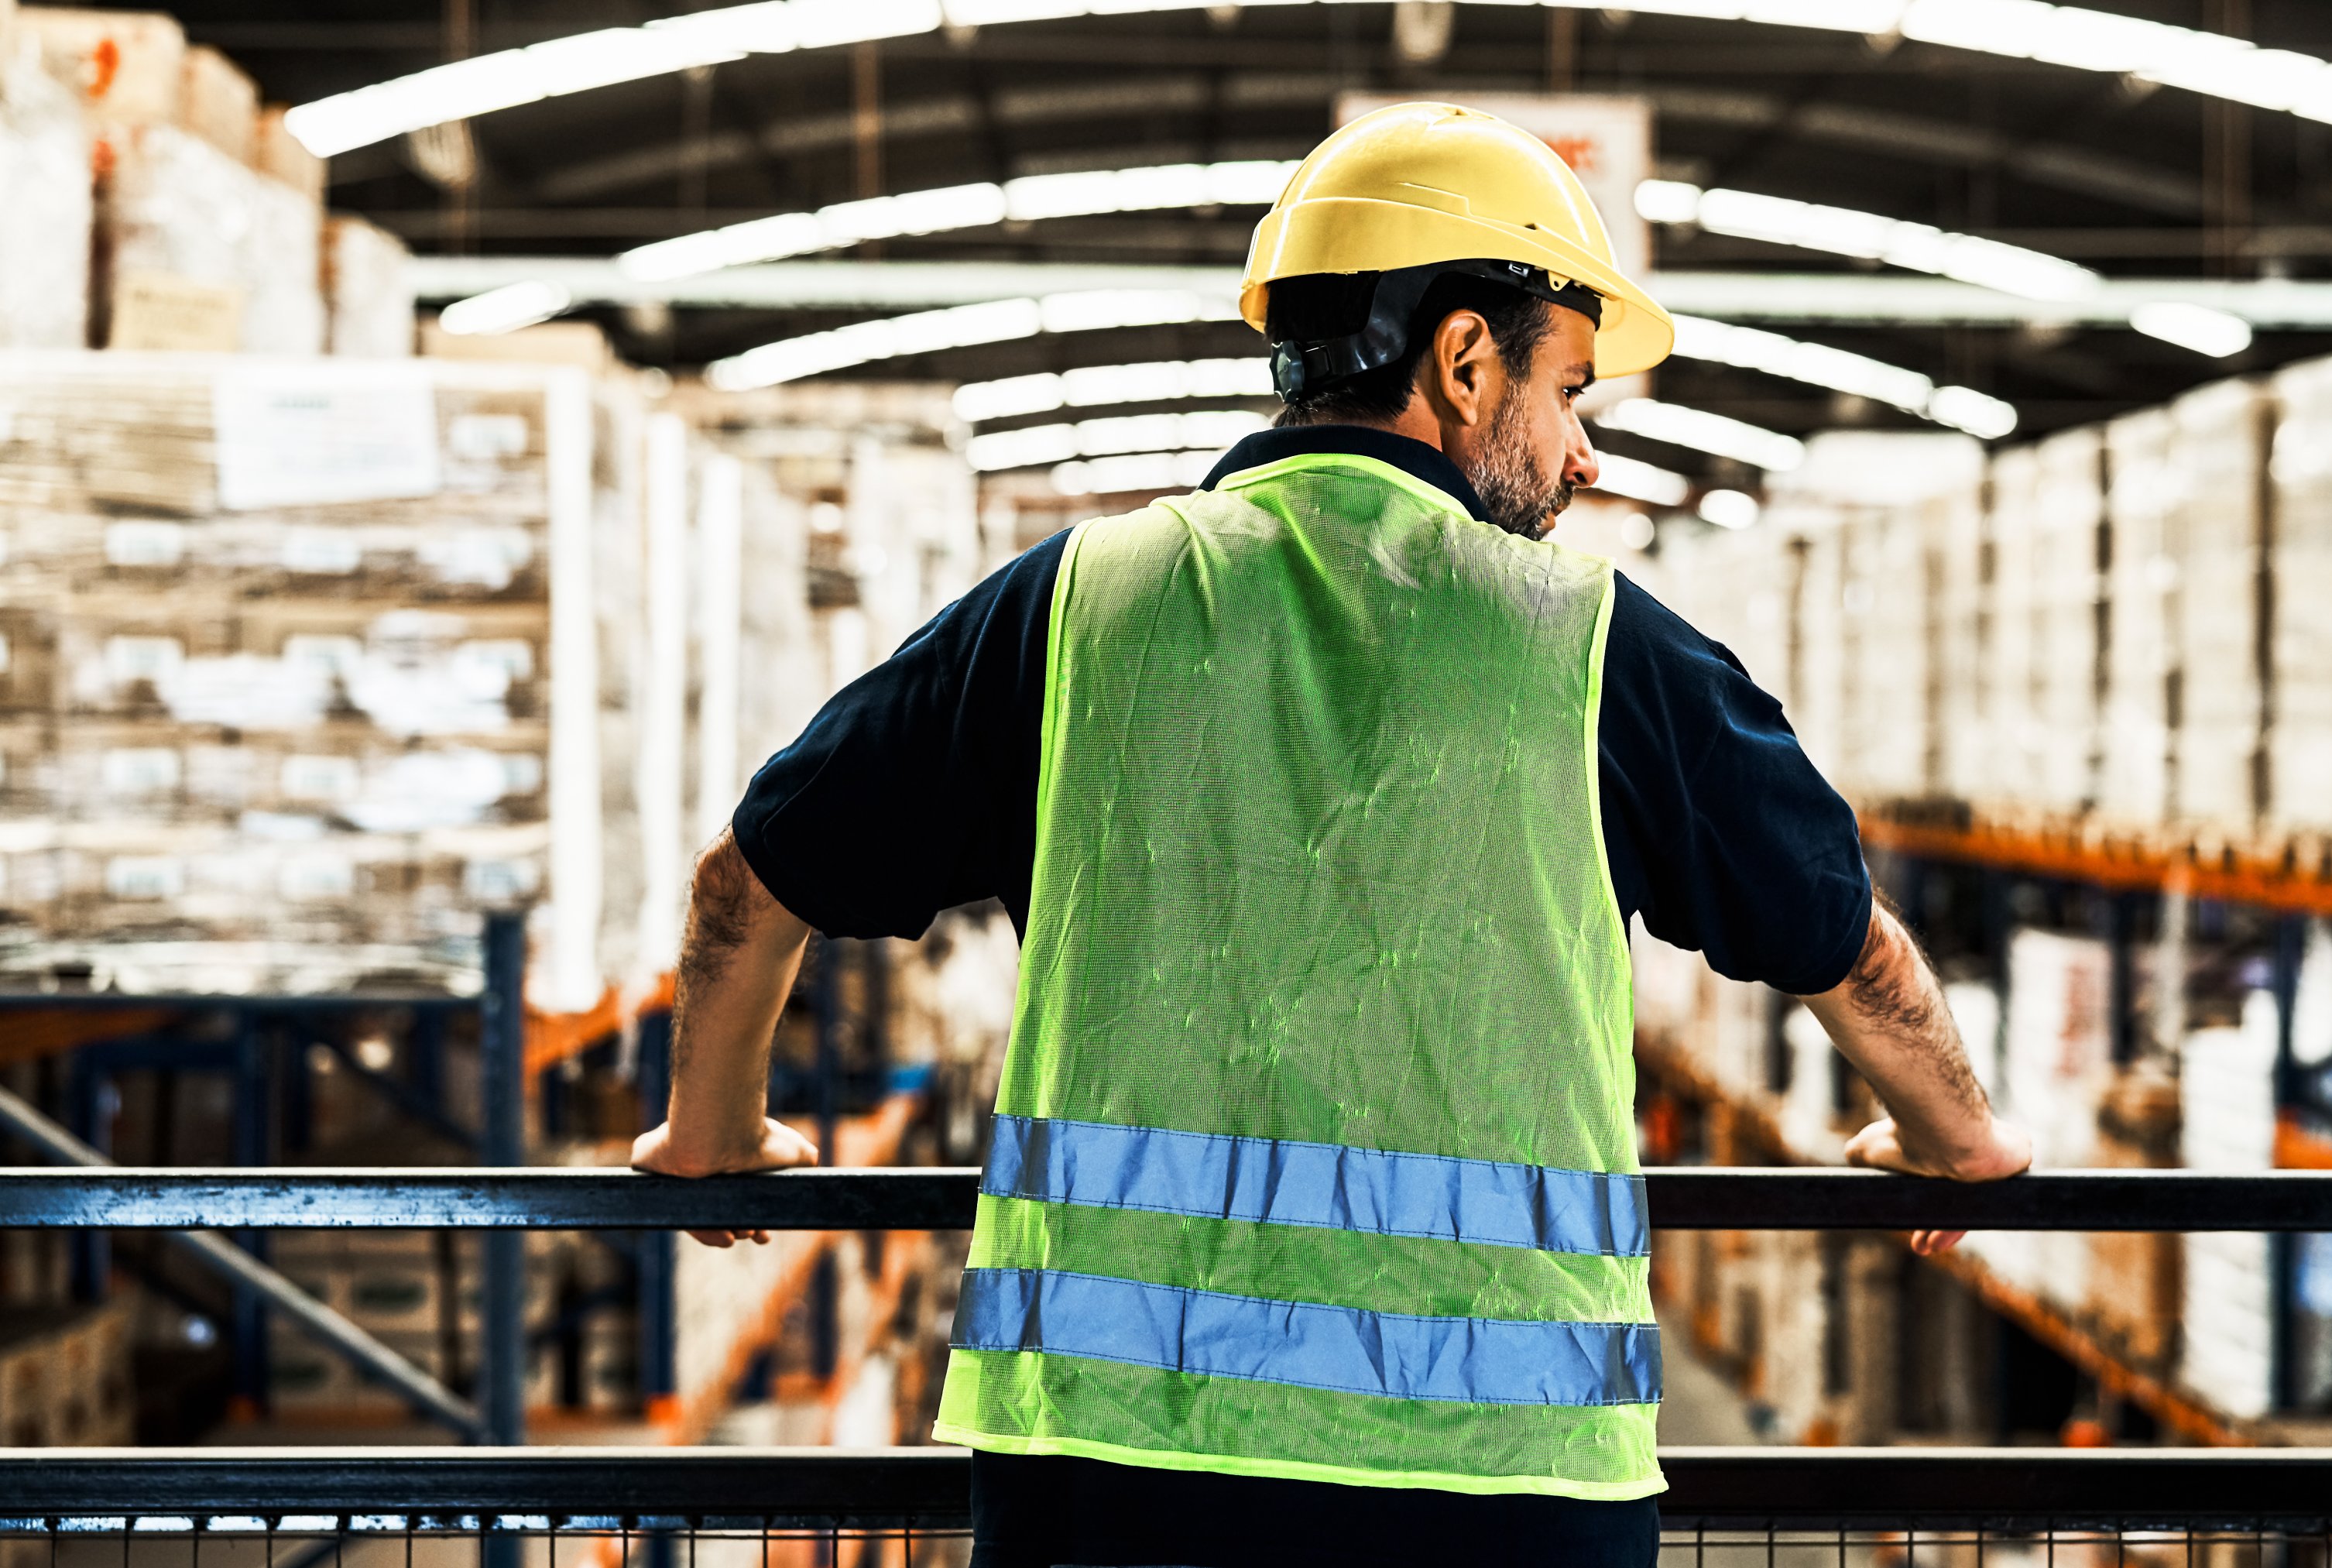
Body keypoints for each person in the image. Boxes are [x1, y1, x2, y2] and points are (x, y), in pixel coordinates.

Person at [633, 101, 2031, 1568]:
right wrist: (1956, 1134)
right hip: (1504, 1479)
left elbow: (752, 882)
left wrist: (711, 1128)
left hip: (1111, 1465)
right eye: (1571, 396)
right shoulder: (1599, 649)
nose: (1585, 460)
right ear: (1465, 360)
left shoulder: (1075, 610)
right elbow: (1840, 939)